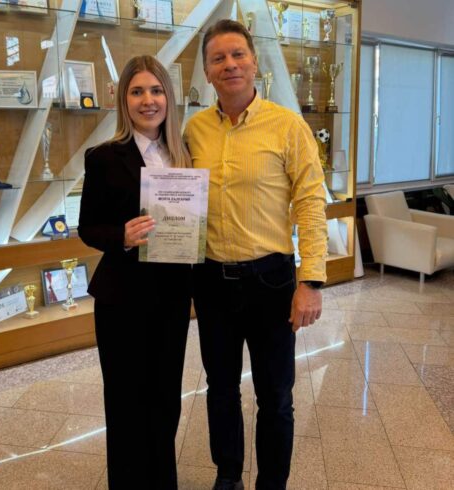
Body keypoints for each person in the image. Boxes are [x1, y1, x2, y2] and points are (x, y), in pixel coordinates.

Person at [183, 20, 327, 490]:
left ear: (254, 62)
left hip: (272, 282)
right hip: (211, 281)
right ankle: (228, 476)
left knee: (276, 396)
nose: (230, 65)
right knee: (220, 389)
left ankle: (272, 484)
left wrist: (311, 282)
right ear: (207, 72)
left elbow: (311, 203)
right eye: (218, 58)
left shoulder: (287, 125)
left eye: (237, 54)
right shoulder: (193, 131)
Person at [78, 55, 192, 490]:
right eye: (137, 91)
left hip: (172, 298)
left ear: (169, 97)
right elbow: (88, 227)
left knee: (166, 401)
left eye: (157, 90)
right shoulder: (104, 157)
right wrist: (122, 236)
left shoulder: (183, 155)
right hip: (122, 299)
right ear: (123, 100)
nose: (149, 100)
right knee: (127, 402)